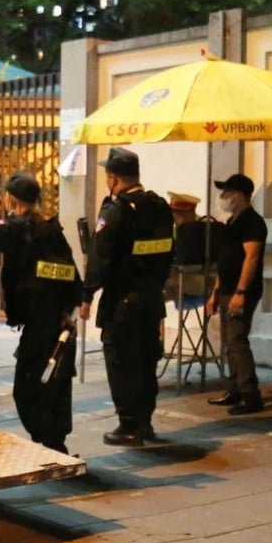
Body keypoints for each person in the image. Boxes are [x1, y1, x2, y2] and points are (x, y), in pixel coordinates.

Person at [0, 171, 82, 453]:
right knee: (55, 387)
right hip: (58, 323)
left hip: (39, 327)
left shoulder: (16, 228)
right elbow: (72, 277)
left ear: (11, 198)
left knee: (25, 390)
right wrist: (67, 311)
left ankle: (50, 445)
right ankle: (55, 441)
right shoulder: (51, 229)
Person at [81, 148, 174, 446]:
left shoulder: (116, 211)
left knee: (122, 363)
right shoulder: (160, 206)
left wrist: (86, 295)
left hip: (122, 302)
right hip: (151, 299)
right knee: (146, 361)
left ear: (113, 177)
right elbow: (168, 252)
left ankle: (129, 425)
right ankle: (144, 422)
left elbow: (100, 259)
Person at [206, 173, 268, 415]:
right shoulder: (232, 222)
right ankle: (234, 389)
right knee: (229, 342)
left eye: (226, 192)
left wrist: (241, 292)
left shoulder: (253, 222)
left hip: (243, 291)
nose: (222, 198)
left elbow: (251, 257)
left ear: (240, 195)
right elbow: (225, 261)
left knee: (237, 340)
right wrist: (215, 292)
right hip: (227, 290)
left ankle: (251, 395)